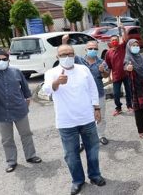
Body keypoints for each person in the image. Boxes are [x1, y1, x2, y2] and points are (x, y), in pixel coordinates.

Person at [42, 44, 105, 195]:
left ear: (74, 55)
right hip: (66, 121)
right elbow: (46, 90)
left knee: (93, 149)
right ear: (57, 57)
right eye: (63, 54)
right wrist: (57, 82)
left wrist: (96, 108)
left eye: (70, 54)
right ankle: (77, 181)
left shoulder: (83, 69)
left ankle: (95, 175)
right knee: (71, 154)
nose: (67, 57)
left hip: (87, 118)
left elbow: (92, 89)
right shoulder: (52, 73)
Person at [0, 48, 42, 173]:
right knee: (7, 139)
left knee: (26, 134)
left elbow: (25, 90)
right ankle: (11, 161)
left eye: (4, 59)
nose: (1, 61)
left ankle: (31, 156)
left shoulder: (16, 72)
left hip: (20, 110)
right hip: (0, 113)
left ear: (8, 60)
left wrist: (26, 102)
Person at [62, 35, 110, 146]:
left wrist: (103, 71)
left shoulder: (102, 62)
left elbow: (106, 75)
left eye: (95, 48)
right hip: (82, 96)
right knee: (82, 118)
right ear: (86, 49)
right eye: (90, 48)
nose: (93, 50)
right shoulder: (79, 60)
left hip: (99, 94)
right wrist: (64, 42)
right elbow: (67, 54)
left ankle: (100, 135)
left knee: (100, 116)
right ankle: (82, 141)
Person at [105, 24, 133, 116]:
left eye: (116, 40)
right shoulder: (108, 53)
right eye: (113, 40)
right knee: (116, 94)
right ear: (110, 42)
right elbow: (108, 66)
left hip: (126, 74)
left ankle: (129, 106)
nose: (114, 42)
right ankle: (118, 108)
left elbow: (125, 39)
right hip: (116, 76)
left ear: (118, 41)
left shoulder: (122, 47)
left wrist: (124, 29)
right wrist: (109, 77)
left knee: (128, 91)